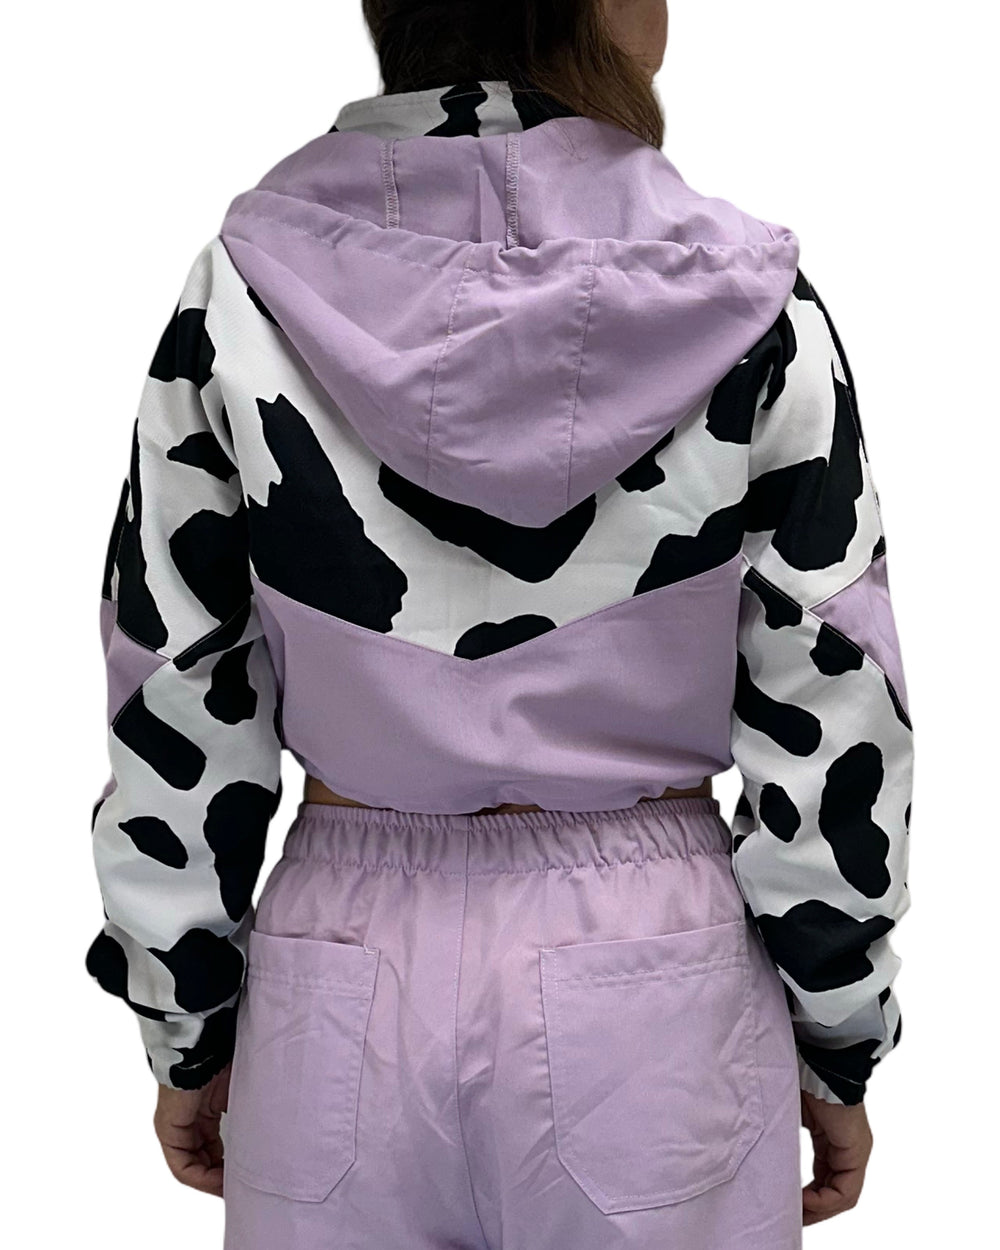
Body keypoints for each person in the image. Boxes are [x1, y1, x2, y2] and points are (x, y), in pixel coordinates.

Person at [85, 2, 914, 1246]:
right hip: (655, 983)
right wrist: (837, 1036)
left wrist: (185, 1020)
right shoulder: (752, 306)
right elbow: (835, 706)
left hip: (341, 974)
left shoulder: (242, 292)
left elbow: (172, 685)